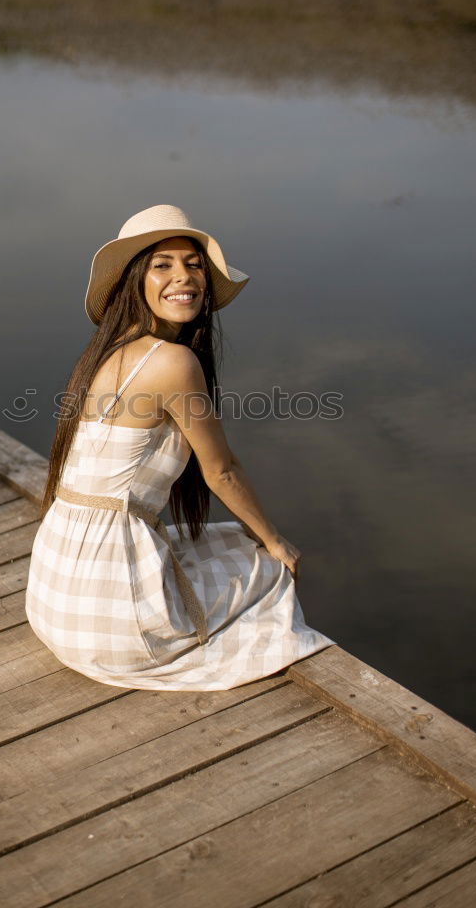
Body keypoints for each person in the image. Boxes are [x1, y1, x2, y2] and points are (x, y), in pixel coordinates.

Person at [25, 203, 335, 690]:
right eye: (162, 265)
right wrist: (277, 542)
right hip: (108, 624)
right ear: (134, 280)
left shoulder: (107, 350)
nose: (183, 277)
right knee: (265, 563)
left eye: (193, 264)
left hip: (54, 598)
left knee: (229, 537)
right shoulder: (173, 362)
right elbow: (223, 472)